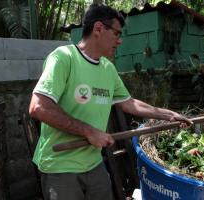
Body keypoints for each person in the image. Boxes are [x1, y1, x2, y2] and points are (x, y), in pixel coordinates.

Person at [28, 3, 192, 200]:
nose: (119, 41)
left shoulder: (107, 68)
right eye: (116, 33)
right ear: (98, 28)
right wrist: (88, 131)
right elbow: (38, 107)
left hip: (94, 163)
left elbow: (128, 103)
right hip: (61, 167)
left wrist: (167, 114)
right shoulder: (64, 58)